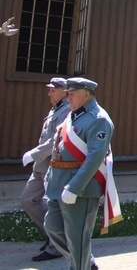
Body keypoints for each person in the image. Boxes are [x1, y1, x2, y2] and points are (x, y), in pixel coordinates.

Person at [44, 77, 116, 270]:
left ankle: (81, 264)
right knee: (53, 227)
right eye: (67, 94)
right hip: (58, 184)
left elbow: (95, 157)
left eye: (72, 94)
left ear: (86, 95)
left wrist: (75, 187)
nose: (68, 98)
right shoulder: (74, 115)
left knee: (77, 240)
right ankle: (86, 262)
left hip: (81, 190)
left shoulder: (98, 119)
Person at [20, 77, 71, 262]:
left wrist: (34, 153)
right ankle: (53, 235)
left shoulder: (67, 110)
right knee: (27, 199)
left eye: (53, 90)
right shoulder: (55, 108)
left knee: (52, 205)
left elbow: (56, 139)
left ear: (64, 92)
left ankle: (55, 246)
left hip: (53, 165)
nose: (49, 93)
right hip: (40, 165)